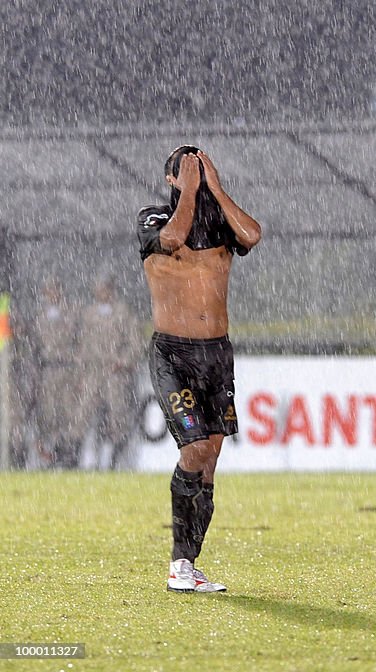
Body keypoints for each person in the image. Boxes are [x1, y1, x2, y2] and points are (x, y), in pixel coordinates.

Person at [136, 146, 262, 593]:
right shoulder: (153, 219)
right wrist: (189, 188)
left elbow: (252, 234)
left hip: (217, 356)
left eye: (200, 165)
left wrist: (216, 187)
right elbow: (172, 239)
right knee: (192, 451)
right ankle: (178, 564)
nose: (195, 173)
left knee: (209, 460)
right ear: (170, 179)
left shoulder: (224, 224)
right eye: (184, 168)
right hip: (173, 355)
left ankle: (190, 561)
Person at [77, 276, 144, 470]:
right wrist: (82, 372)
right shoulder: (89, 314)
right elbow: (83, 344)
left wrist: (122, 362)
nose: (101, 293)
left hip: (116, 374)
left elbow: (135, 343)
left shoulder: (124, 313)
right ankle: (86, 459)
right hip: (93, 372)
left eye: (105, 288)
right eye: (98, 288)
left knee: (118, 417)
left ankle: (115, 460)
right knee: (84, 415)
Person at [31, 278, 85, 469]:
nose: (51, 294)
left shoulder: (72, 312)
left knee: (68, 413)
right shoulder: (40, 315)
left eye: (54, 289)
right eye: (48, 290)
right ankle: (51, 456)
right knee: (48, 414)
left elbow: (79, 343)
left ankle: (68, 455)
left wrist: (78, 372)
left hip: (66, 368)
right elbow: (36, 346)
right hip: (48, 369)